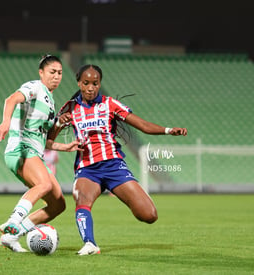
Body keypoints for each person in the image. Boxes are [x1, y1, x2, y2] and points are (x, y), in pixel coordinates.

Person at [48, 64, 188, 255]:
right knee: (82, 199)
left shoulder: (110, 104)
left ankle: (138, 192)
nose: (90, 87)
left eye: (95, 83)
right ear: (79, 83)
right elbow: (48, 140)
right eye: (86, 83)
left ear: (99, 84)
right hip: (88, 169)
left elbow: (143, 125)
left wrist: (168, 130)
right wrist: (58, 122)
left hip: (114, 166)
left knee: (149, 215)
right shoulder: (70, 108)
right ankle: (90, 244)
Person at [0, 55, 81, 252]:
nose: (57, 76)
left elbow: (44, 140)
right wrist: (6, 121)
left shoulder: (50, 101)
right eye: (52, 72)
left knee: (58, 205)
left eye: (60, 73)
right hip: (21, 149)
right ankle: (13, 220)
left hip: (35, 152)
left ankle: (11, 236)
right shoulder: (34, 87)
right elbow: (11, 99)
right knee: (45, 184)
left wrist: (63, 145)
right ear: (41, 73)